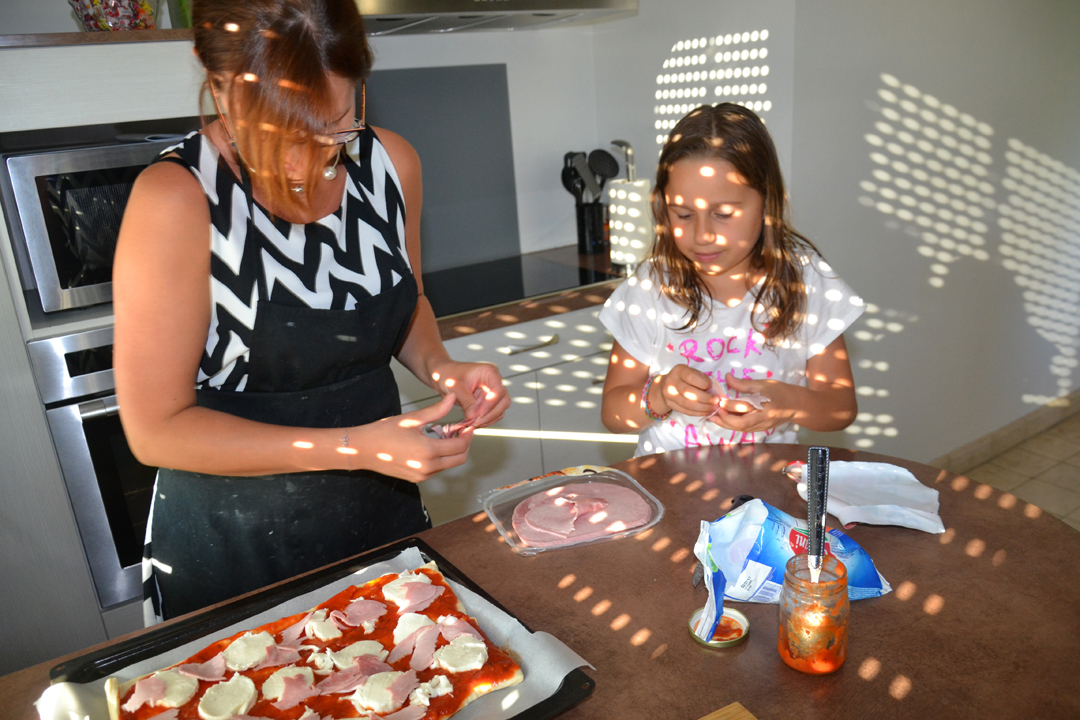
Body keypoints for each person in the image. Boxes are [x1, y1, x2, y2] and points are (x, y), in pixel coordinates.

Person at [112, 0, 509, 623]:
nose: (302, 165)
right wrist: (354, 447)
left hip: (378, 518)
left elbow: (405, 299)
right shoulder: (177, 200)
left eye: (332, 129)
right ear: (214, 81)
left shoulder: (391, 165)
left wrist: (441, 366)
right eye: (275, 136)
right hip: (234, 549)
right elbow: (154, 429)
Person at [599, 103, 863, 456]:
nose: (702, 235)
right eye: (683, 214)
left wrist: (791, 403)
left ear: (767, 203)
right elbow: (613, 413)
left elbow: (841, 408)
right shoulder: (649, 288)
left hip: (767, 478)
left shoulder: (808, 282)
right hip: (666, 478)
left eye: (723, 214)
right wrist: (659, 394)